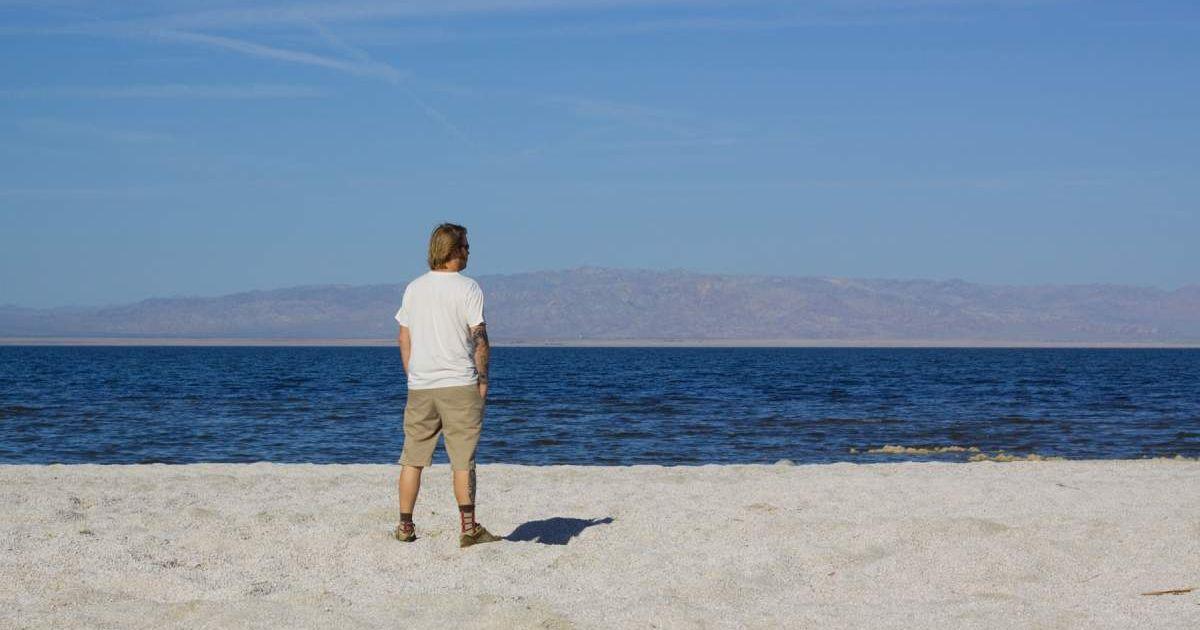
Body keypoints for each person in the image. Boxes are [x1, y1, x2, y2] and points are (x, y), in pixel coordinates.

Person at [393, 223, 500, 548]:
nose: (469, 251)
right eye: (466, 246)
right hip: (458, 384)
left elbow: (403, 336)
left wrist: (414, 374)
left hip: (421, 386)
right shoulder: (468, 288)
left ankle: (405, 527)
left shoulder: (414, 288)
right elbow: (479, 339)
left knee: (413, 458)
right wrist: (483, 380)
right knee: (462, 460)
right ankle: (468, 529)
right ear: (452, 250)